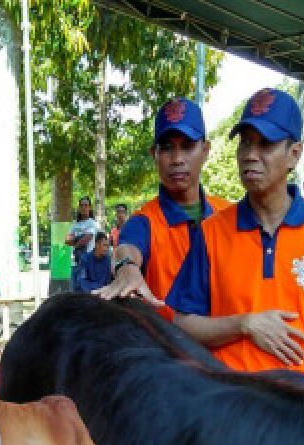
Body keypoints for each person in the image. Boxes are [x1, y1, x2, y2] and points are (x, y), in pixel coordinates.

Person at [168, 87, 304, 390]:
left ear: (294, 154)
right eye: (245, 143)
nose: (250, 156)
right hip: (234, 404)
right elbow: (182, 323)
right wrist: (244, 325)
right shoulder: (212, 232)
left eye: (265, 144)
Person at [99, 97, 231, 304]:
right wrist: (126, 267)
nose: (177, 159)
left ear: (205, 151)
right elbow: (127, 249)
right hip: (168, 335)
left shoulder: (230, 215)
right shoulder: (144, 222)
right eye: (167, 148)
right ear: (155, 154)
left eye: (187, 146)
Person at [65, 195, 100, 269]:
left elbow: (86, 239)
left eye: (86, 205)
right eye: (81, 205)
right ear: (79, 208)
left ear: (90, 208)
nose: (83, 207)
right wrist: (79, 240)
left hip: (89, 261)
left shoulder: (93, 224)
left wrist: (75, 241)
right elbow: (67, 240)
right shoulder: (75, 224)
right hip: (77, 261)